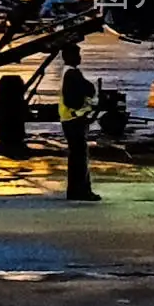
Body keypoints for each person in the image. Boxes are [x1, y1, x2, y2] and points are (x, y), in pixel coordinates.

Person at [57, 44, 99, 201]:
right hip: (74, 119)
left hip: (70, 119)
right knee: (79, 157)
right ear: (71, 57)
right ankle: (80, 191)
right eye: (78, 54)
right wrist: (82, 107)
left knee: (77, 156)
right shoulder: (72, 74)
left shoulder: (68, 73)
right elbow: (82, 93)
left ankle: (76, 190)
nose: (80, 57)